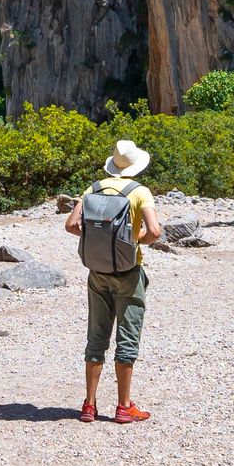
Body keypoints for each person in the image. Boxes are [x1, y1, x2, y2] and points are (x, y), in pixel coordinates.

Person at [69, 138, 163, 424]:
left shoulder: (92, 189)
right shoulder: (139, 192)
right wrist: (134, 244)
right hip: (128, 273)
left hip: (97, 273)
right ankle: (124, 406)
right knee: (127, 337)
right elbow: (155, 231)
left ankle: (89, 405)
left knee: (96, 337)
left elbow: (72, 225)